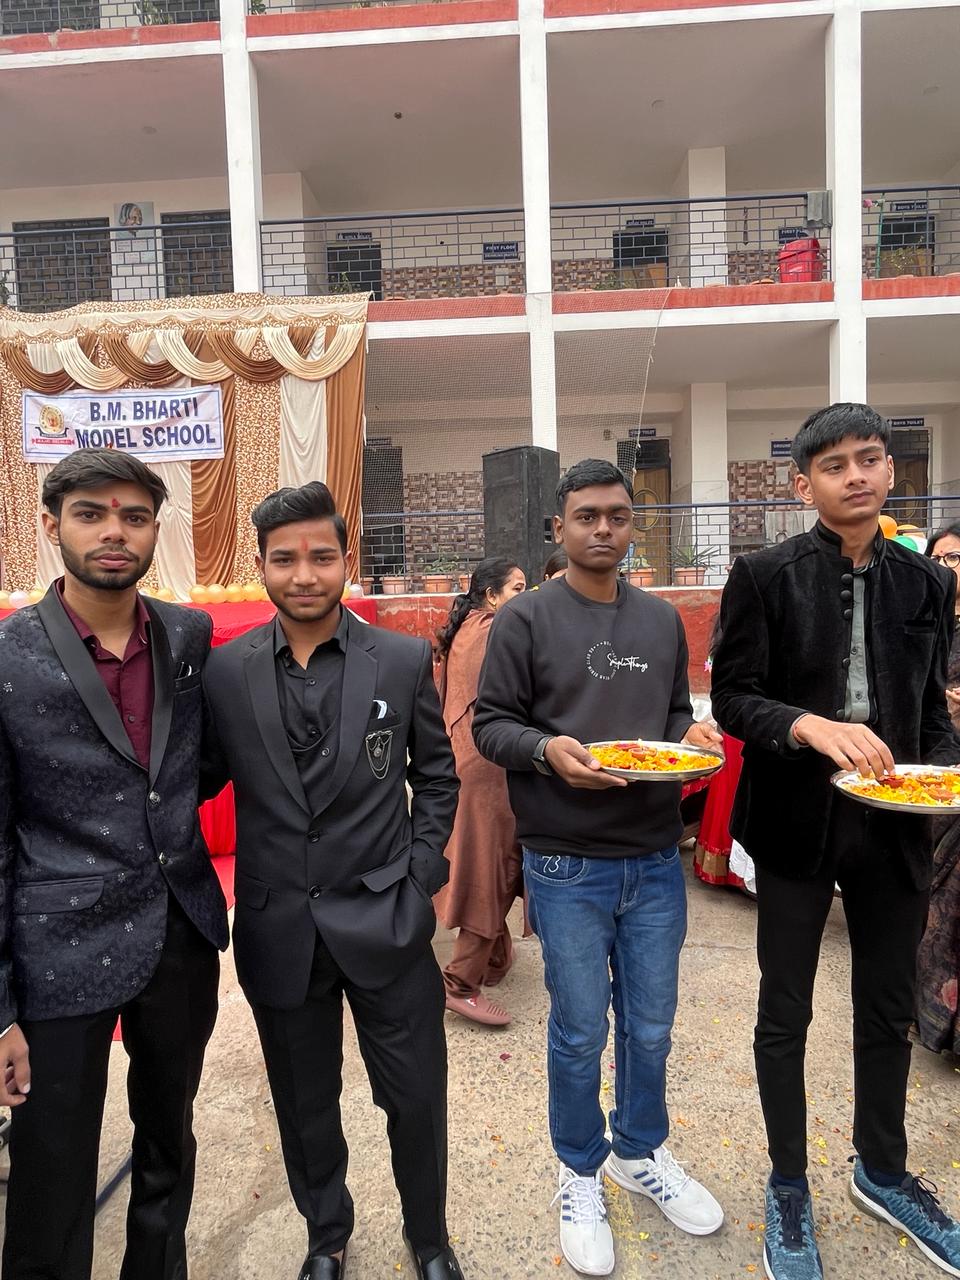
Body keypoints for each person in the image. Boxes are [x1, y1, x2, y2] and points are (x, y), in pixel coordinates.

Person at [710, 404, 960, 1280]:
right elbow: (733, 697)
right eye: (835, 465)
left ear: (890, 469)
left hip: (895, 825)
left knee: (888, 1007)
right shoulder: (764, 575)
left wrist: (944, 778)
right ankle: (788, 1183)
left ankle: (881, 1170)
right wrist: (807, 726)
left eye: (870, 459)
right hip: (795, 821)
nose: (856, 476)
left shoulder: (926, 583)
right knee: (785, 1010)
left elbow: (930, 713)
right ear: (802, 484)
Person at [201, 481, 464, 1280]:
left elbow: (437, 778)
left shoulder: (403, 659)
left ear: (348, 559)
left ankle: (430, 1239)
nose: (305, 574)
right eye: (285, 559)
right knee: (304, 1102)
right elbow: (198, 779)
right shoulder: (225, 671)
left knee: (415, 1097)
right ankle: (327, 1236)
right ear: (260, 566)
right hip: (280, 926)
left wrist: (419, 879)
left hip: (387, 920)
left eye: (321, 556)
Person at [473, 458, 724, 1278]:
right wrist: (548, 750)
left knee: (651, 1025)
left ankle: (638, 1152)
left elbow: (674, 714)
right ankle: (579, 1166)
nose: (604, 528)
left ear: (631, 523)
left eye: (617, 514)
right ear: (560, 527)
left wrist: (691, 739)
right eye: (587, 516)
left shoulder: (659, 621)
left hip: (653, 858)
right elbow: (490, 725)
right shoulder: (525, 620)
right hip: (565, 862)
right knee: (580, 1030)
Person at [0, 448, 228, 1280]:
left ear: (155, 530)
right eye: (91, 513)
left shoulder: (188, 634)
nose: (114, 531)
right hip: (58, 951)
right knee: (52, 1164)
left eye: (133, 516)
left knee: (169, 1138)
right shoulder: (7, 655)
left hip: (179, 930)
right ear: (51, 524)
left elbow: (199, 764)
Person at [434, 556, 526, 1027]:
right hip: (490, 767)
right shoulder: (493, 630)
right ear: (491, 596)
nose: (525, 598)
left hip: (469, 760)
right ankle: (460, 982)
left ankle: (495, 957)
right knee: (493, 869)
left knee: (490, 863)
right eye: (518, 589)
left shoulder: (466, 627)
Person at [916, 521, 960, 1056]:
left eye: (958, 558)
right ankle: (928, 1014)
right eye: (940, 559)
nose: (948, 569)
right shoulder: (926, 621)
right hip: (929, 775)